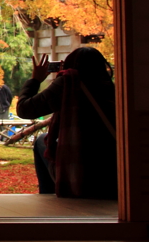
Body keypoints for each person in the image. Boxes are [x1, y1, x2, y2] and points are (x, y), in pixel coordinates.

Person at [16, 47, 118, 199]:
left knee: (40, 142)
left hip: (79, 164)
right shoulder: (111, 86)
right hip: (111, 168)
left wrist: (35, 80)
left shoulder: (68, 83)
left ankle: (48, 195)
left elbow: (25, 109)